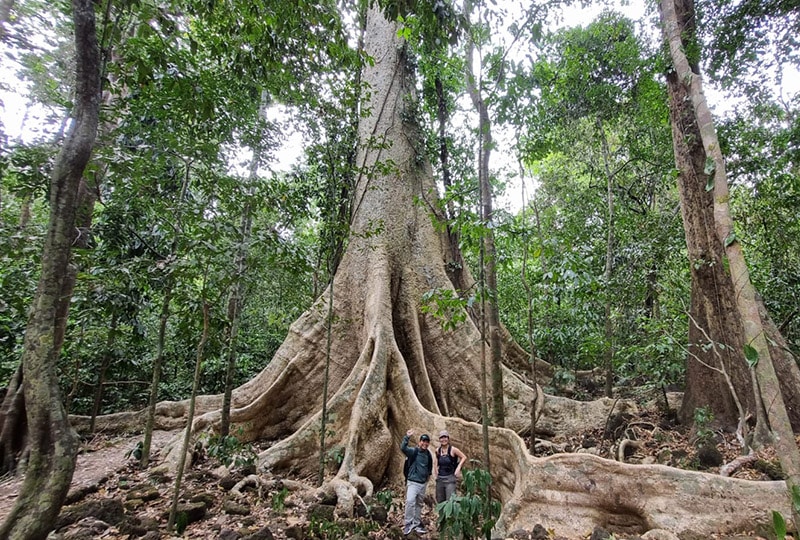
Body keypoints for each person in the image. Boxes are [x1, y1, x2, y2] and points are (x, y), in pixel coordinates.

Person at [400, 429, 434, 535]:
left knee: (419, 504)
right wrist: (407, 437)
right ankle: (408, 523)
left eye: (427, 442)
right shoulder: (413, 451)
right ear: (419, 442)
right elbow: (403, 448)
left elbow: (429, 467)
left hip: (422, 484)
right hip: (413, 482)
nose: (425, 443)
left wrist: (427, 478)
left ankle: (417, 523)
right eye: (423, 441)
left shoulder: (428, 454)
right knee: (410, 501)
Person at [434, 430, 467, 504]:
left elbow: (464, 457)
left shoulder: (453, 450)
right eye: (441, 438)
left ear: (448, 439)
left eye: (445, 437)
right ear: (439, 439)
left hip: (450, 479)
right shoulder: (438, 450)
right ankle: (442, 515)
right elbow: (436, 461)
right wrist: (436, 472)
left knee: (450, 502)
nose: (443, 439)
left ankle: (450, 516)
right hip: (440, 479)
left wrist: (458, 468)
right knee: (440, 501)